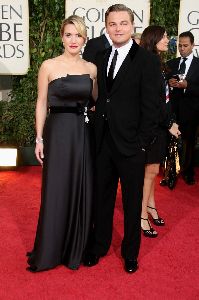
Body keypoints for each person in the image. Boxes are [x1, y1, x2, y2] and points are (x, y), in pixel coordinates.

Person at [83, 4, 161, 273]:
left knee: (131, 201)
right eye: (113, 24)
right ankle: (99, 245)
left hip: (132, 145)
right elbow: (103, 97)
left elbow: (153, 106)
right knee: (101, 198)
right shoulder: (101, 56)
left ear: (132, 26)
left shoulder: (148, 61)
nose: (118, 28)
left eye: (123, 23)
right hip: (102, 141)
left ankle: (131, 253)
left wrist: (142, 141)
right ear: (106, 27)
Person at [26, 15, 97, 272]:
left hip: (81, 133)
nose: (73, 40)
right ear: (61, 37)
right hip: (57, 133)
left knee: (80, 186)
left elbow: (94, 100)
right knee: (56, 189)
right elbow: (41, 103)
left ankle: (73, 247)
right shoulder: (49, 66)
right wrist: (39, 137)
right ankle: (51, 249)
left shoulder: (91, 69)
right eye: (68, 35)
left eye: (78, 35)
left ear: (84, 38)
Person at [139, 26, 180, 238]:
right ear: (154, 39)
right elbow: (153, 101)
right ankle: (142, 215)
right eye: (164, 37)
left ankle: (151, 206)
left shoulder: (158, 63)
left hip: (159, 125)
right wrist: (168, 124)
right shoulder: (149, 63)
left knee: (153, 171)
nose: (168, 40)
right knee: (150, 172)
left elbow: (162, 97)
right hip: (152, 127)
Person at [167, 31, 199, 185]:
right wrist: (170, 84)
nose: (182, 48)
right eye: (179, 45)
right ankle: (170, 173)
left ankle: (188, 172)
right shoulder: (171, 64)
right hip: (173, 110)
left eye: (185, 45)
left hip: (192, 111)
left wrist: (188, 86)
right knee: (171, 142)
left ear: (193, 45)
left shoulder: (198, 65)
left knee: (189, 142)